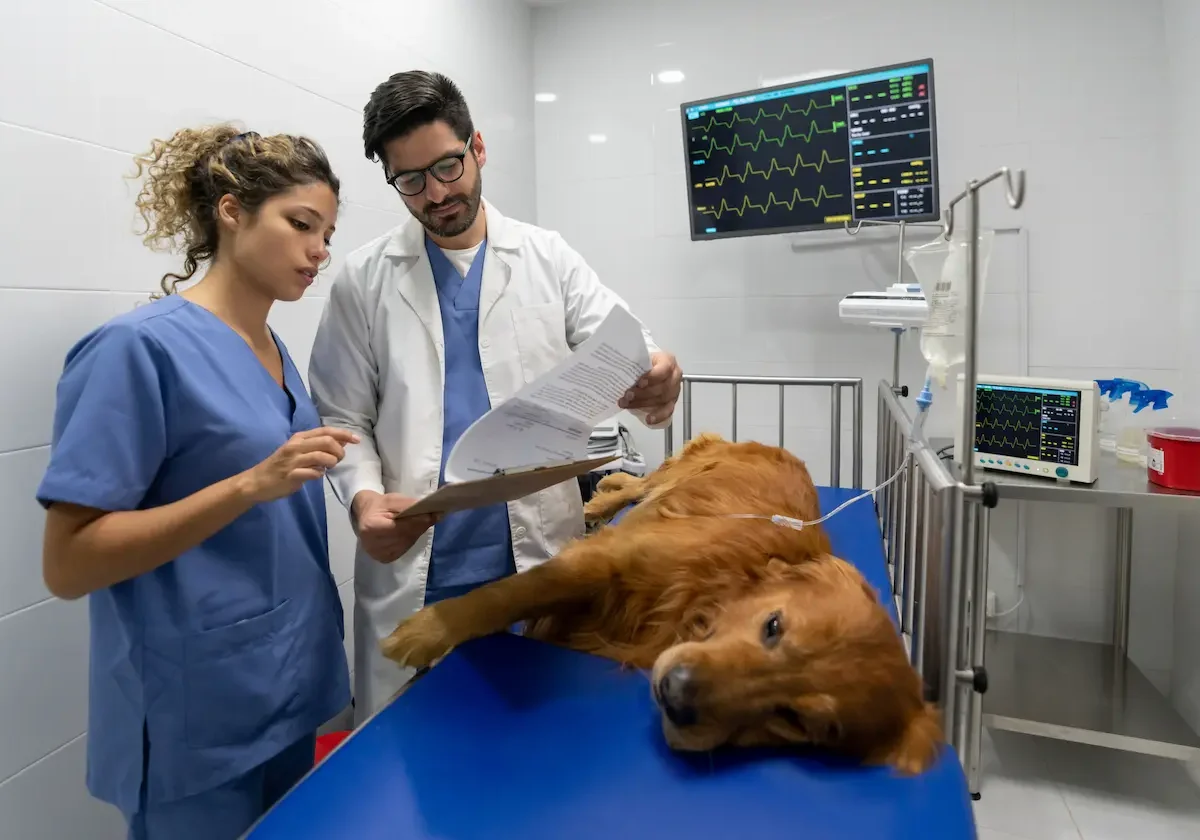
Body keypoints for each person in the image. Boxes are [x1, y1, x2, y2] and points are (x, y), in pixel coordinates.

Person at [308, 70, 683, 724]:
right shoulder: (363, 280)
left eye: (447, 167)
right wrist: (364, 499)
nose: (436, 193)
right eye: (411, 180)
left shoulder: (547, 257)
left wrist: (658, 373)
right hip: (420, 570)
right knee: (416, 756)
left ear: (477, 147)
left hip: (536, 563)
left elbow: (629, 348)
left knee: (542, 745)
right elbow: (343, 416)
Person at [36, 124, 355, 840]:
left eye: (327, 234)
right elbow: (68, 562)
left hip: (289, 688)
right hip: (195, 717)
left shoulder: (272, 348)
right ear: (232, 212)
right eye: (301, 224)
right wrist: (246, 486)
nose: (319, 251)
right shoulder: (136, 349)